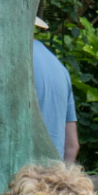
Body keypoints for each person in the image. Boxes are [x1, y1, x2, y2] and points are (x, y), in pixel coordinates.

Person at [32, 17, 79, 163]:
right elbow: (71, 146)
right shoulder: (60, 68)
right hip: (51, 179)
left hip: (18, 182)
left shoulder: (7, 60)